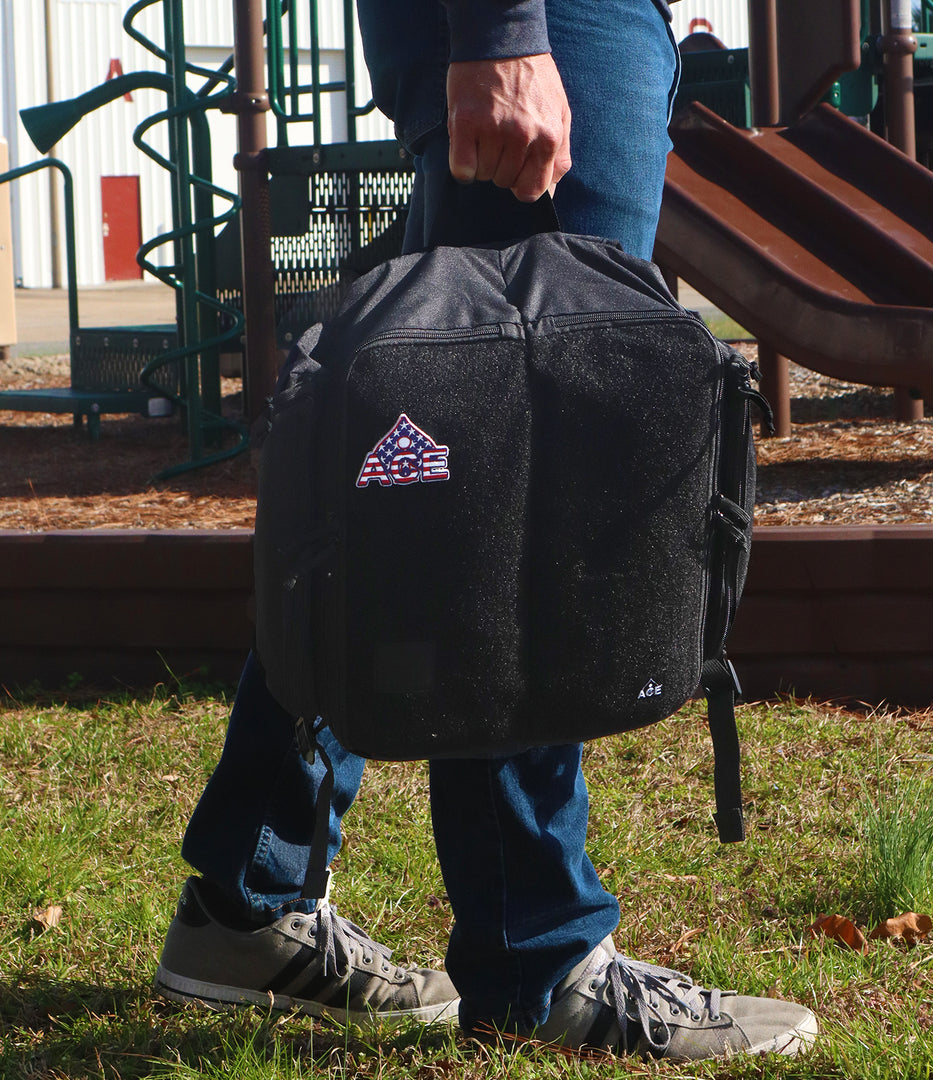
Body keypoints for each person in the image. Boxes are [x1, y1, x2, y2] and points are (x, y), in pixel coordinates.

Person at [155, 0, 818, 1060]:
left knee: (426, 505)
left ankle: (249, 897)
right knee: (525, 487)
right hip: (546, 22)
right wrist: (502, 31)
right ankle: (539, 959)